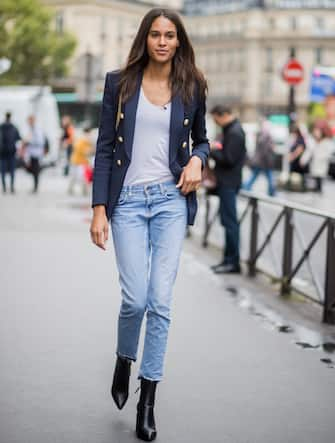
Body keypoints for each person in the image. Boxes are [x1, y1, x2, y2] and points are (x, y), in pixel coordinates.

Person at [90, 8, 209, 442]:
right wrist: (100, 207)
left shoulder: (192, 84)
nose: (162, 41)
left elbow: (203, 138)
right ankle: (125, 356)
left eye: (170, 35)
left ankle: (147, 401)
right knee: (135, 298)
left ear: (179, 41)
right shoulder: (119, 83)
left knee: (160, 301)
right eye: (156, 34)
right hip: (128, 204)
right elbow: (104, 147)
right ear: (146, 38)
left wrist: (198, 159)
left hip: (170, 202)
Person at [209, 105, 246, 274]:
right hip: (226, 183)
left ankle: (232, 262)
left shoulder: (235, 132)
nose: (216, 123)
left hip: (229, 183)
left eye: (216, 119)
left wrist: (213, 151)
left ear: (223, 115)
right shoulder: (231, 130)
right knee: (227, 222)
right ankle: (227, 260)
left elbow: (229, 159)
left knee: (230, 223)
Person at [243, 119, 276, 196]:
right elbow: (266, 150)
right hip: (264, 161)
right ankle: (272, 192)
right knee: (268, 177)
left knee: (255, 176)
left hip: (260, 161)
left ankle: (246, 187)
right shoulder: (266, 137)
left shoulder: (260, 135)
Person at [301, 121, 334, 192]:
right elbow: (309, 151)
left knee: (319, 180)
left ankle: (318, 192)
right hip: (314, 164)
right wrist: (304, 159)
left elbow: (329, 153)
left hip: (321, 164)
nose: (316, 133)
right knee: (315, 180)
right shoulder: (313, 141)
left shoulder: (327, 142)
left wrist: (321, 157)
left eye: (317, 131)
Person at [22, 115, 45, 193]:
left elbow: (40, 142)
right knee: (32, 170)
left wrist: (29, 141)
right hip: (32, 153)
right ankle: (35, 187)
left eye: (29, 121)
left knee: (35, 171)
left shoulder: (37, 129)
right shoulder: (31, 129)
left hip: (36, 153)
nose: (28, 123)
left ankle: (35, 187)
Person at [68, 127, 93, 196]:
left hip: (82, 162)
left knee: (82, 177)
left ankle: (83, 190)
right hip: (77, 162)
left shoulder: (87, 141)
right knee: (77, 177)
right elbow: (83, 151)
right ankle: (72, 189)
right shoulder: (82, 140)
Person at [0, 112, 20, 194]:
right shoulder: (14, 127)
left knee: (3, 171)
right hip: (12, 152)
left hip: (2, 153)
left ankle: (4, 188)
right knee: (12, 171)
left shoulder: (1, 127)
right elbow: (18, 138)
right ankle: (12, 187)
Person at [288, 124, 308, 190]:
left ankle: (300, 188)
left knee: (300, 176)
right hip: (294, 161)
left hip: (298, 162)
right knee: (293, 175)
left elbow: (299, 150)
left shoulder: (300, 139)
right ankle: (293, 187)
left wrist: (292, 157)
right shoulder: (296, 139)